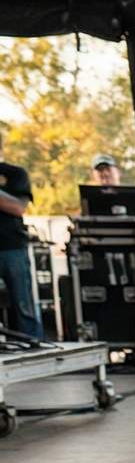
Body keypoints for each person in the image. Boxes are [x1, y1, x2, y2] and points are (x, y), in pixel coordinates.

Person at [0, 138, 38, 340]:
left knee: (23, 305)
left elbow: (18, 207)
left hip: (12, 248)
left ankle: (32, 344)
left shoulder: (15, 174)